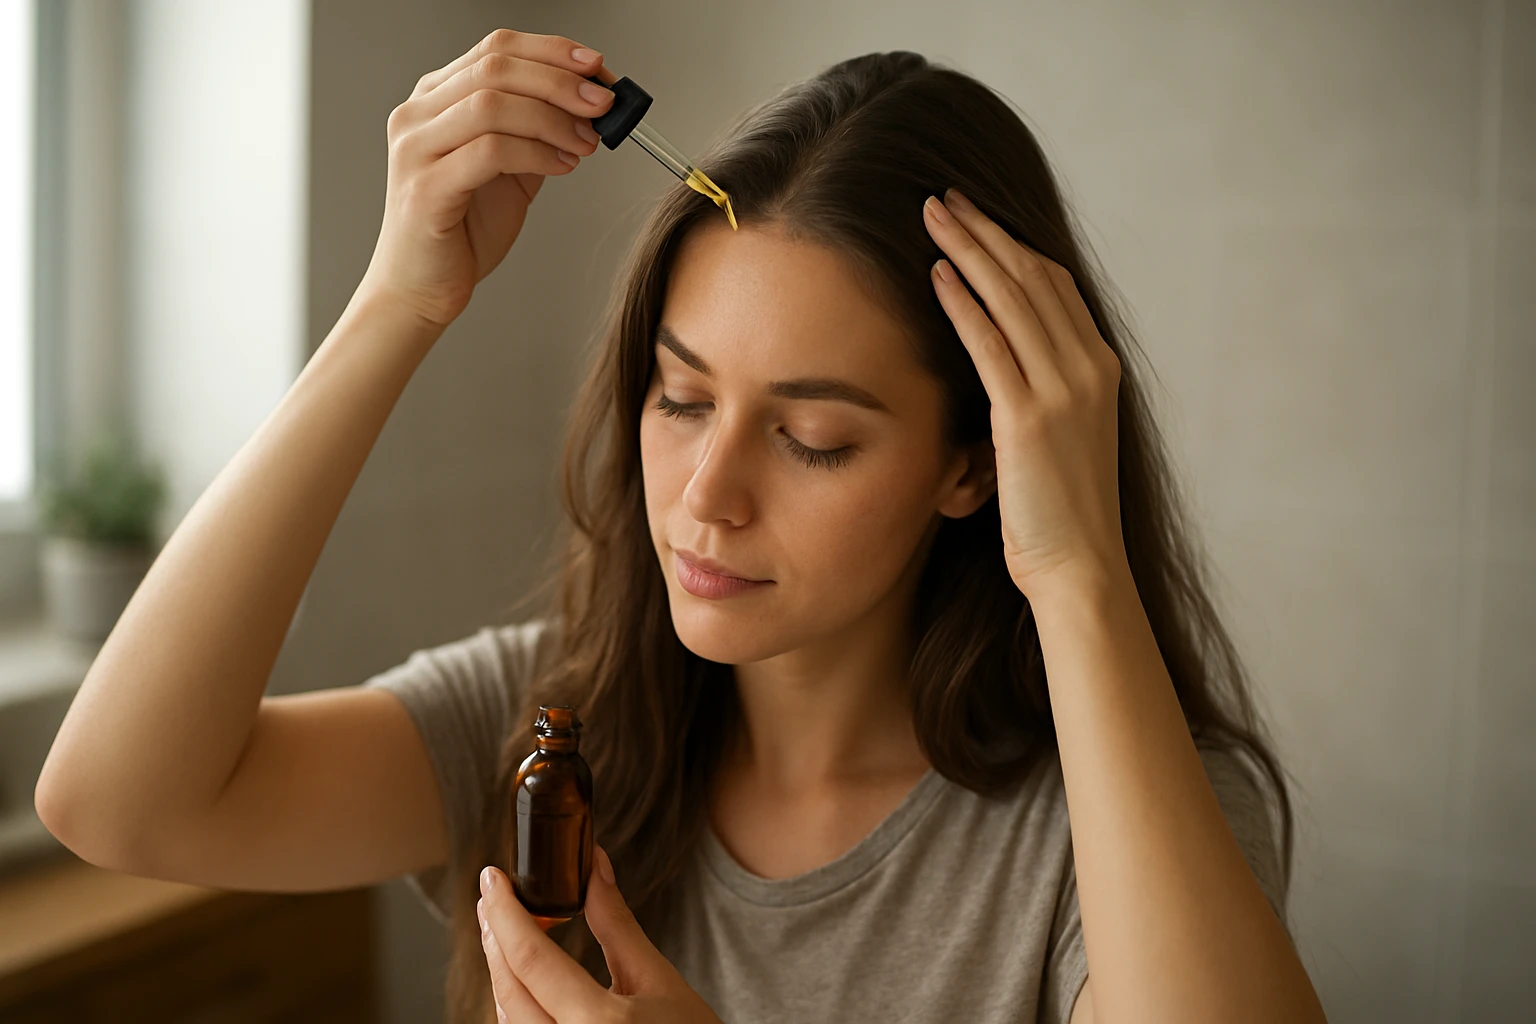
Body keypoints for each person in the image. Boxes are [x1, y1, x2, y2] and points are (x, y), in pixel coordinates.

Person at [35, 27, 1328, 1024]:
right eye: (680, 394)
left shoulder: (1121, 811)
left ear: (976, 463)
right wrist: (396, 302)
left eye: (811, 437)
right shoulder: (546, 729)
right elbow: (116, 804)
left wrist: (1076, 563)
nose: (706, 493)